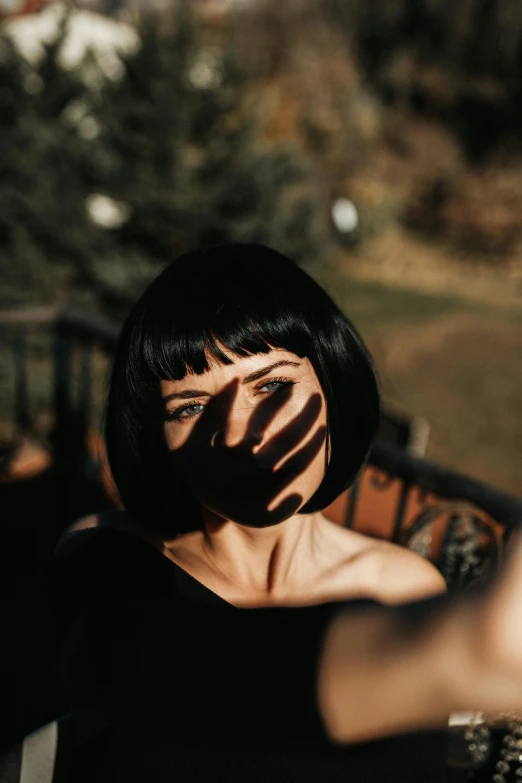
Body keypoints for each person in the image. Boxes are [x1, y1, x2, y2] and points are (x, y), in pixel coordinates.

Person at [49, 244, 521, 782]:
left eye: (271, 386)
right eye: (191, 407)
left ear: (331, 386)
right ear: (159, 442)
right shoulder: (109, 558)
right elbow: (156, 671)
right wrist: (456, 649)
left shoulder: (404, 585)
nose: (235, 433)